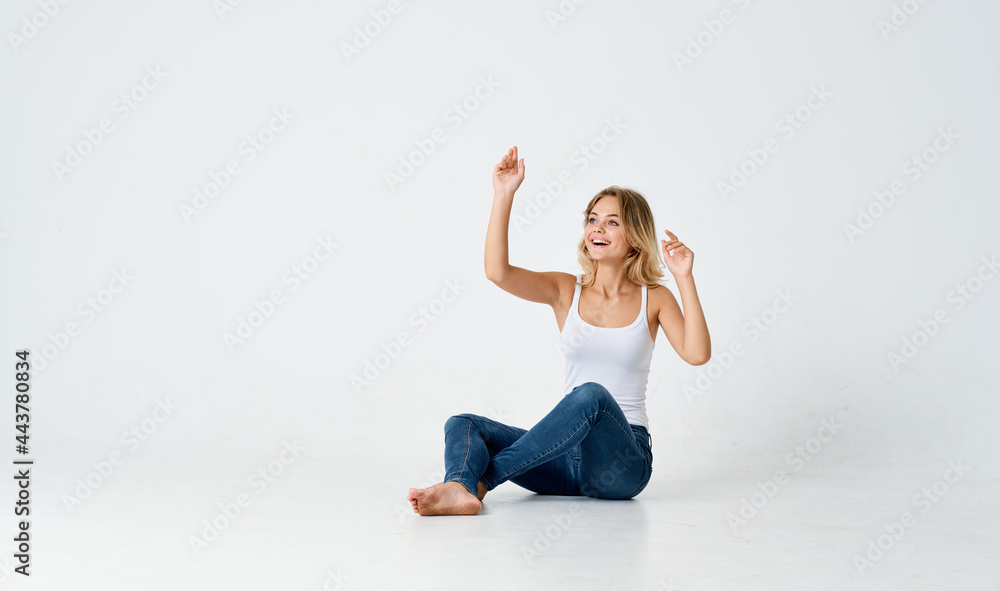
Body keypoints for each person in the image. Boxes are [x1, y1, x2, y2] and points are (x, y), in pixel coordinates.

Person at [407, 146, 711, 516]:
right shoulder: (567, 290)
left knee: (591, 396)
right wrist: (504, 195)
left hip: (621, 464)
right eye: (593, 219)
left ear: (635, 235)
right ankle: (460, 486)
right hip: (565, 461)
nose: (598, 229)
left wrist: (684, 278)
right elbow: (497, 272)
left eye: (612, 222)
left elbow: (697, 354)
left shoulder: (655, 298)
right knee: (464, 424)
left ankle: (480, 484)